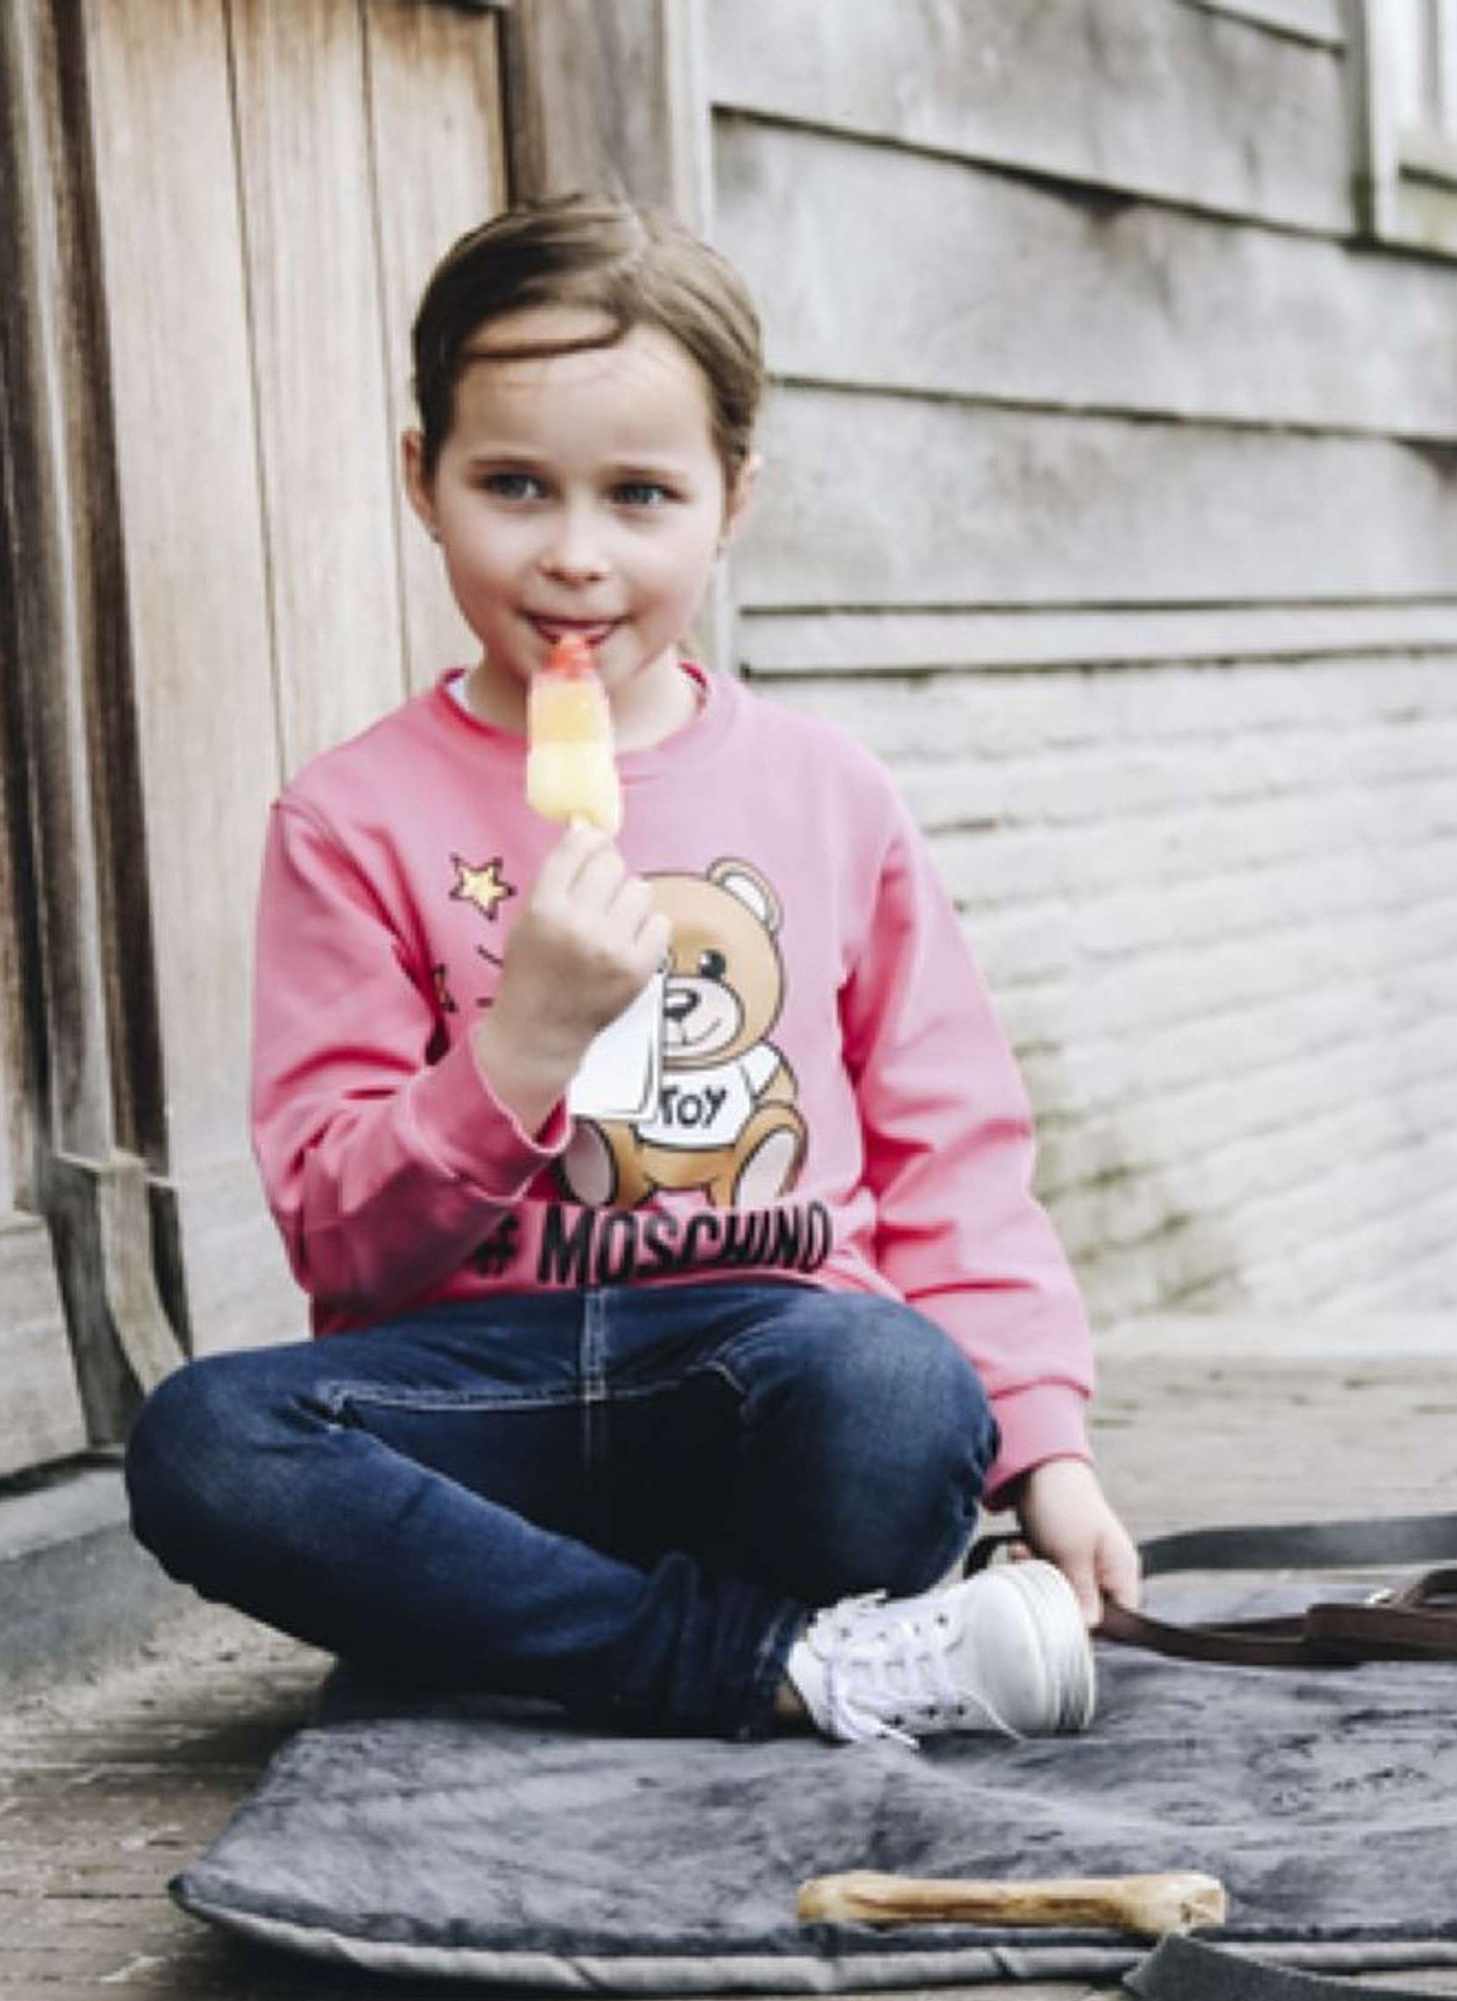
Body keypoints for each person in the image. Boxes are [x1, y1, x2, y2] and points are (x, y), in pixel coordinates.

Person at [125, 196, 1139, 1748]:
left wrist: (1049, 1460)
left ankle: (572, 1637)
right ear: (424, 481)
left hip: (767, 1374)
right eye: (514, 487)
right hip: (484, 1394)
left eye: (641, 496)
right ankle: (783, 1668)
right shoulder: (351, 818)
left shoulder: (827, 793)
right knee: (208, 1444)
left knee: (897, 1389)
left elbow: (958, 1162)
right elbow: (342, 1242)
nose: (576, 557)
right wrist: (517, 1053)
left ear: (733, 499)